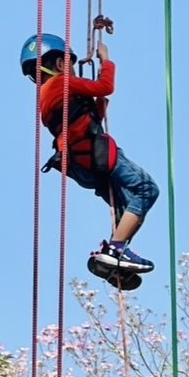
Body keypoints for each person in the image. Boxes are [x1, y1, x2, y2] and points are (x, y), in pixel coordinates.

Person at [20, 33, 160, 289]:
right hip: (94, 153)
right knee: (146, 189)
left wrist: (97, 105)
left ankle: (113, 257)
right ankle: (116, 250)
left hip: (82, 162)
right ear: (62, 64)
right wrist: (106, 61)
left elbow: (85, 117)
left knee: (126, 204)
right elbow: (106, 86)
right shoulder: (62, 83)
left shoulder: (48, 95)